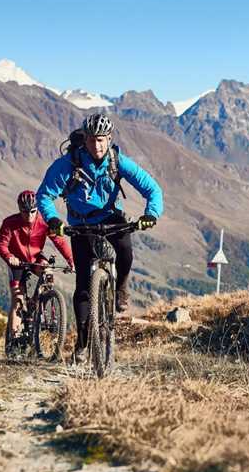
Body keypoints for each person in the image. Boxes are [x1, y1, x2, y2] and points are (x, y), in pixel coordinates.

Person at [36, 113, 163, 363]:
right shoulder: (69, 163)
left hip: (111, 218)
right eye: (93, 140)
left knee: (125, 251)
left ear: (109, 139)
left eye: (102, 140)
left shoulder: (118, 161)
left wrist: (151, 214)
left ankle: (121, 288)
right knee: (83, 284)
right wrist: (52, 219)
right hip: (81, 225)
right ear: (85, 140)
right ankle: (83, 343)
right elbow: (44, 195)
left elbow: (152, 189)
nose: (97, 146)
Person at [0, 190, 74, 347]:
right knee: (17, 299)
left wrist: (70, 260)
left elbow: (59, 241)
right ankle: (15, 340)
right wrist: (9, 257)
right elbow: (1, 245)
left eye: (33, 211)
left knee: (47, 270)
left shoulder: (43, 221)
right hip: (16, 262)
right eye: (25, 212)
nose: (29, 215)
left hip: (36, 257)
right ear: (20, 210)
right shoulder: (10, 223)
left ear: (37, 209)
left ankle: (42, 303)